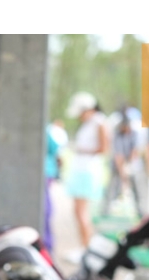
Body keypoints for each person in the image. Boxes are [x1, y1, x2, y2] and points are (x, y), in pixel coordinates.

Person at [65, 92, 109, 257]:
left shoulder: (99, 122)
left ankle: (86, 250)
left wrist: (82, 150)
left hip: (87, 171)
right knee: (79, 212)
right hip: (81, 170)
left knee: (82, 212)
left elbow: (104, 148)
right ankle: (84, 248)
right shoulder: (89, 123)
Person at [105, 111, 145, 218]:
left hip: (133, 165)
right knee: (112, 188)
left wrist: (128, 166)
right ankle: (105, 211)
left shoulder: (135, 134)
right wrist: (123, 172)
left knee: (138, 190)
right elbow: (118, 156)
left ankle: (141, 212)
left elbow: (135, 151)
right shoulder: (117, 135)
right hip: (117, 166)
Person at [43, 119, 68, 254]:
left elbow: (54, 149)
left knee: (45, 208)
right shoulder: (45, 131)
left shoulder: (45, 131)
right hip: (46, 172)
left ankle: (47, 245)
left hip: (45, 172)